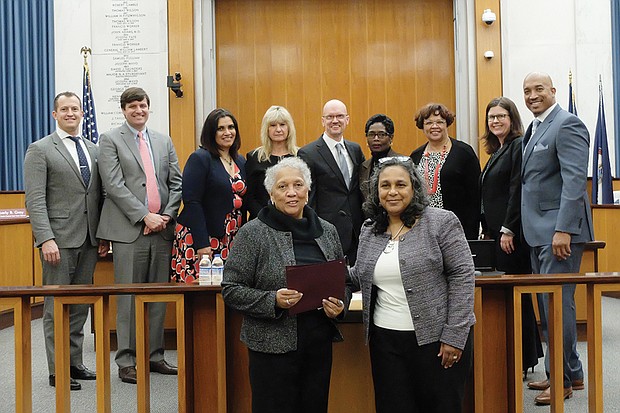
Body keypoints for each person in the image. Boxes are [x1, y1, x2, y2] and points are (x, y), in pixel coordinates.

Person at [222, 157, 349, 413]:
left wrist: (340, 305)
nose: (291, 193)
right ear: (270, 193)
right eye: (282, 187)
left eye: (298, 185)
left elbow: (342, 281)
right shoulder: (253, 233)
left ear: (308, 190)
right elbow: (231, 289)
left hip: (317, 343)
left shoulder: (327, 231)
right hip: (271, 345)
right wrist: (273, 300)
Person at [349, 157, 475, 412]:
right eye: (385, 186)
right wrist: (320, 274)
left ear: (414, 188)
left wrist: (454, 336)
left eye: (400, 184)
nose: (392, 192)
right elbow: (358, 274)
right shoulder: (370, 228)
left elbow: (463, 276)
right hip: (385, 342)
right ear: (376, 192)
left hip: (437, 342)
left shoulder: (441, 222)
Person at [24, 92, 109, 391]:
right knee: (55, 307)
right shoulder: (40, 149)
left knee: (80, 306)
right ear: (55, 114)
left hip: (88, 239)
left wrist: (102, 236)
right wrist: (45, 238)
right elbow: (34, 200)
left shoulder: (94, 149)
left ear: (81, 113)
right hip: (57, 241)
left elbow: (99, 197)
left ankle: (74, 362)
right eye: (64, 109)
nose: (70, 113)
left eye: (75, 108)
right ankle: (57, 369)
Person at [97, 87, 182, 384]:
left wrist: (165, 216)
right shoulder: (110, 140)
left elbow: (176, 182)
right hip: (128, 230)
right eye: (132, 106)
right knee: (129, 296)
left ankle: (155, 355)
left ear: (149, 108)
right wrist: (144, 216)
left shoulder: (163, 140)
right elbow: (113, 185)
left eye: (143, 105)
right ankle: (127, 360)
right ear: (123, 110)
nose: (138, 110)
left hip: (161, 231)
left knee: (157, 296)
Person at [520, 72, 593, 405]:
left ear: (553, 91)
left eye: (539, 89)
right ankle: (573, 373)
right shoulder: (535, 128)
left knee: (556, 305)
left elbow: (575, 179)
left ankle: (560, 380)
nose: (532, 95)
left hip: (558, 232)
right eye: (526, 91)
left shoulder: (568, 124)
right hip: (537, 231)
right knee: (553, 305)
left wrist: (563, 228)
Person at [479, 97, 543, 375]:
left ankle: (525, 356)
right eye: (491, 117)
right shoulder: (497, 151)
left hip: (511, 236)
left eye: (501, 116)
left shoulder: (518, 145)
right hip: (496, 233)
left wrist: (508, 228)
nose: (496, 121)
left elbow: (518, 190)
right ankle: (521, 355)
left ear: (512, 118)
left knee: (517, 295)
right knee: (509, 294)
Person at [171, 108, 247, 282]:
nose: (227, 132)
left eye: (231, 127)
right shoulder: (200, 158)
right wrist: (202, 243)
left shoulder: (240, 160)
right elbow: (192, 202)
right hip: (201, 236)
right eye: (221, 128)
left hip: (230, 237)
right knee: (200, 291)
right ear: (211, 132)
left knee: (227, 289)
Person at [298, 99, 365, 264]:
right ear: (323, 121)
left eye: (340, 116)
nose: (335, 121)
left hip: (357, 233)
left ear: (347, 119)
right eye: (330, 117)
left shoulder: (355, 150)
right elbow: (308, 199)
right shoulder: (308, 153)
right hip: (327, 233)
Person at [410, 103, 481, 239]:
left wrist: (472, 232)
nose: (434, 126)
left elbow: (475, 197)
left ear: (447, 124)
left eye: (439, 122)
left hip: (456, 228)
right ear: (422, 126)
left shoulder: (464, 153)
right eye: (429, 122)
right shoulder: (416, 156)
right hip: (423, 229)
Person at [245, 105, 298, 220]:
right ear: (266, 129)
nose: (278, 129)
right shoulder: (254, 157)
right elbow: (250, 197)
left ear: (289, 128)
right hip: (262, 221)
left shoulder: (300, 156)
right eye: (273, 125)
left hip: (294, 221)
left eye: (282, 125)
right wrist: (265, 218)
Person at [359, 113, 402, 202]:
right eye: (371, 134)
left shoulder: (402, 164)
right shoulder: (363, 167)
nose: (376, 138)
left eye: (381, 134)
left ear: (391, 138)